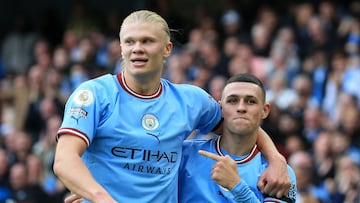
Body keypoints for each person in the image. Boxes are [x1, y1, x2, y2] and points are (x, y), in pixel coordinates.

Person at [53, 10, 290, 203]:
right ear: (121, 48)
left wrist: (276, 159)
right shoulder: (94, 94)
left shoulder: (191, 100)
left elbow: (240, 123)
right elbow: (64, 160)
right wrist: (99, 197)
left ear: (167, 49)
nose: (137, 48)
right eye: (130, 42)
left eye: (147, 41)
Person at [178, 73, 297, 202]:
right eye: (232, 101)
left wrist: (236, 186)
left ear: (265, 110)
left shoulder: (279, 173)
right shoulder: (185, 154)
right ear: (221, 108)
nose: (241, 108)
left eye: (251, 101)